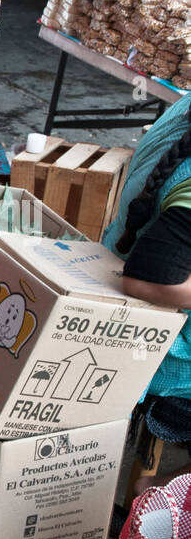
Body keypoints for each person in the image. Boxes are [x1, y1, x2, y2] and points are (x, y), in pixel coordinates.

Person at [101, 91, 191, 493]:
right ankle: (162, 498)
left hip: (116, 255)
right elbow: (147, 280)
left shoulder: (185, 107)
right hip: (153, 335)